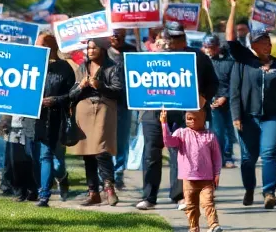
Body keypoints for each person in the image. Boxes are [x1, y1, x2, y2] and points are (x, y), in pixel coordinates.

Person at [137, 20, 219, 210]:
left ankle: (180, 196)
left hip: (183, 113)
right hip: (155, 112)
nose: (174, 41)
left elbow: (212, 82)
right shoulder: (155, 57)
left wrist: (204, 98)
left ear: (184, 38)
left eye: (178, 37)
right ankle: (149, 197)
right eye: (171, 37)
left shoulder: (197, 57)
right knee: (151, 153)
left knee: (180, 154)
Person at [226, 0, 276, 209]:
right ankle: (250, 189)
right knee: (247, 158)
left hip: (271, 117)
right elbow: (230, 40)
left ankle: (269, 192)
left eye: (269, 42)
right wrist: (233, 7)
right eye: (263, 42)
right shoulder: (243, 61)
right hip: (247, 117)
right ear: (253, 44)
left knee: (269, 153)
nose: (268, 45)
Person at [68, 37, 124, 206]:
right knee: (88, 152)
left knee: (101, 149)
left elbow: (118, 92)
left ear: (102, 49)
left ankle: (109, 188)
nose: (90, 51)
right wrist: (80, 87)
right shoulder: (82, 67)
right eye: (89, 48)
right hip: (84, 111)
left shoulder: (113, 67)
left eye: (94, 48)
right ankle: (93, 192)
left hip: (103, 109)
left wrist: (101, 86)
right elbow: (71, 94)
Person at [162, 107, 223, 232]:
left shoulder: (210, 136)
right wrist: (164, 124)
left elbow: (217, 157)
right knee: (191, 205)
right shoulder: (182, 133)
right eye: (189, 118)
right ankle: (194, 227)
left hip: (206, 178)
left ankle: (213, 224)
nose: (192, 121)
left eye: (195, 118)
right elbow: (169, 142)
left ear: (203, 118)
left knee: (208, 202)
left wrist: (217, 173)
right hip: (189, 178)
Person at [33, 31, 75, 206]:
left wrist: (56, 101)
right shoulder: (32, 64)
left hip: (55, 119)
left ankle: (44, 195)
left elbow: (71, 95)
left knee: (47, 156)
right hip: (34, 118)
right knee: (38, 156)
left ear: (52, 46)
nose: (38, 48)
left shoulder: (64, 67)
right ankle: (61, 176)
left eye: (41, 44)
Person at [108, 28, 137, 186]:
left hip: (125, 102)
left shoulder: (131, 50)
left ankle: (118, 173)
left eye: (120, 35)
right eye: (114, 35)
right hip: (106, 101)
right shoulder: (103, 50)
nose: (117, 38)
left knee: (121, 139)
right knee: (105, 139)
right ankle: (105, 175)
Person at [203, 34, 236, 168]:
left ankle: (228, 156)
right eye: (206, 47)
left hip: (228, 101)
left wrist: (225, 96)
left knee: (229, 131)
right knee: (217, 132)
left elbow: (234, 82)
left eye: (210, 48)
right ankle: (217, 157)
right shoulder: (204, 62)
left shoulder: (229, 62)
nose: (208, 50)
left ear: (217, 48)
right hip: (212, 102)